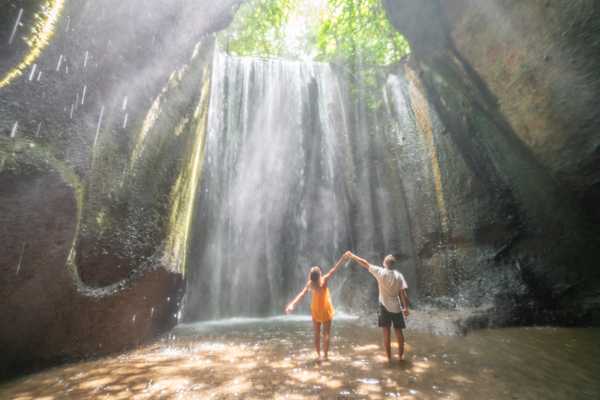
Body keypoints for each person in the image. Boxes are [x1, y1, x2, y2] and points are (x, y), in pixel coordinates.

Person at [285, 251, 352, 360]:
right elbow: (334, 269)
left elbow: (301, 294)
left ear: (311, 277)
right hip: (326, 310)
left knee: (316, 334)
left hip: (315, 311)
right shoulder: (324, 280)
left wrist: (292, 304)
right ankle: (325, 355)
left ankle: (318, 355)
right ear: (320, 274)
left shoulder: (310, 284)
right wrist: (343, 258)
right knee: (326, 334)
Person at [348, 252, 410, 363]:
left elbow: (365, 263)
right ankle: (401, 356)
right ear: (393, 264)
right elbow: (403, 293)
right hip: (397, 308)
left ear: (385, 263)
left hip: (384, 307)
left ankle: (388, 358)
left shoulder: (380, 272)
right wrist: (405, 308)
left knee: (386, 334)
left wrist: (353, 256)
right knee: (399, 333)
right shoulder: (399, 276)